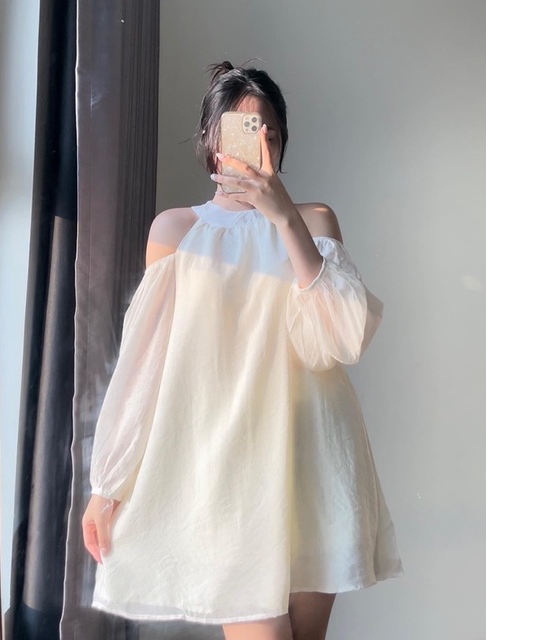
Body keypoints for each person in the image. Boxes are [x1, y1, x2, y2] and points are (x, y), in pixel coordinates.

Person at [82, 60, 403, 640]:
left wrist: (283, 217)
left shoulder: (314, 221)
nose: (259, 146)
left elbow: (339, 338)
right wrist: (108, 483)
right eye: (242, 131)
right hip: (226, 469)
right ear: (212, 141)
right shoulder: (177, 230)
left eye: (269, 134)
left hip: (315, 458)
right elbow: (145, 364)